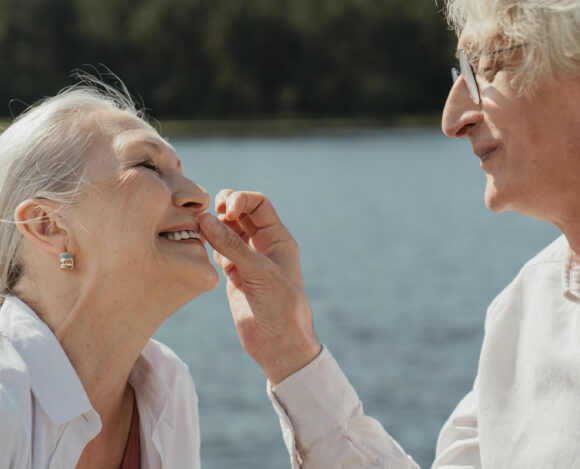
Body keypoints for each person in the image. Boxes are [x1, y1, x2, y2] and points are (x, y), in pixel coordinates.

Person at [199, 0, 580, 467]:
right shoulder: (523, 313)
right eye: (461, 71)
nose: (452, 117)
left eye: (487, 69)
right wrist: (288, 352)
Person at [0, 76, 220, 468]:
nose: (199, 195)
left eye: (181, 170)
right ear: (48, 225)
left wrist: (288, 343)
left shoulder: (169, 387)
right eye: (147, 165)